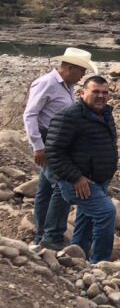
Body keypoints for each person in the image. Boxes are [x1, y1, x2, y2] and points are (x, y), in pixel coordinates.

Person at [22, 47, 98, 250]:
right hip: (48, 143)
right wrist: (38, 146)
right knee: (63, 186)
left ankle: (41, 236)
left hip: (57, 142)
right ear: (70, 68)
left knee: (46, 189)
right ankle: (52, 238)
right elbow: (30, 115)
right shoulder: (47, 83)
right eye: (82, 71)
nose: (83, 76)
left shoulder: (66, 86)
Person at [45, 75, 118, 263]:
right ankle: (100, 264)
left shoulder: (105, 114)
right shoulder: (69, 116)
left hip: (99, 180)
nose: (101, 96)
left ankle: (76, 260)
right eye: (96, 91)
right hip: (79, 182)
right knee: (106, 212)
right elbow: (54, 151)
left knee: (85, 223)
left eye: (105, 92)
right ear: (82, 92)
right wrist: (76, 177)